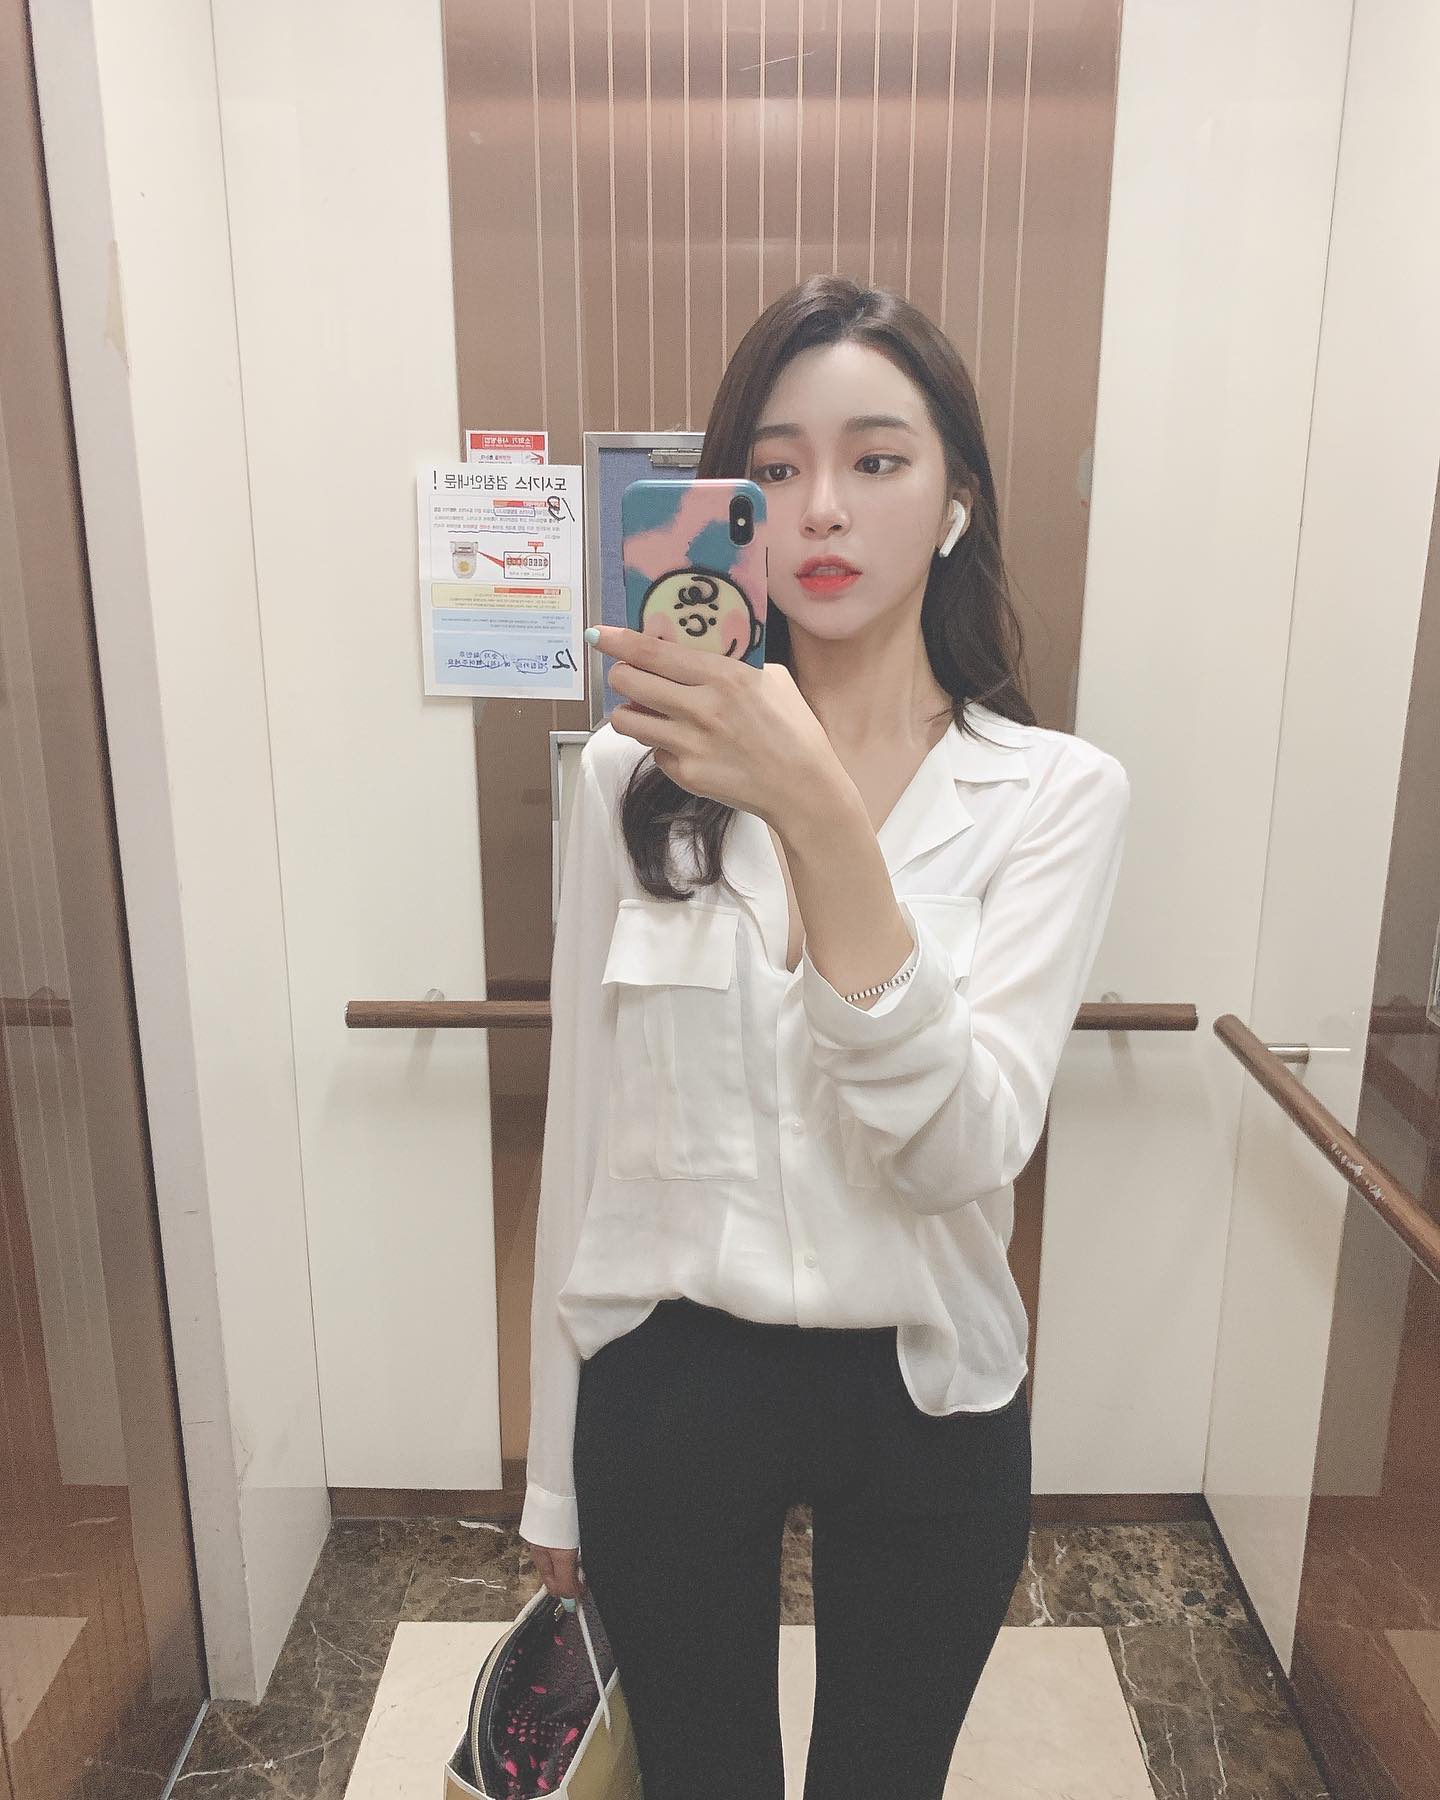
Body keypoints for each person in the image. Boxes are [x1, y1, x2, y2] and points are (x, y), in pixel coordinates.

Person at [518, 273, 1130, 1799]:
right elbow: (582, 1137)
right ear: (729, 509)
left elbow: (965, 1150)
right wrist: (551, 1477)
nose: (824, 510)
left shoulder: (1055, 797)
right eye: (776, 469)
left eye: (878, 458)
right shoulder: (624, 781)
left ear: (957, 501)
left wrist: (819, 816)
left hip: (928, 1383)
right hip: (671, 1376)